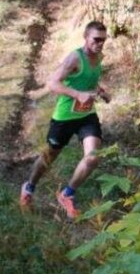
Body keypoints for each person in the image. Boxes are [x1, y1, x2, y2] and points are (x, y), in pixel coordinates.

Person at [20, 20, 110, 219]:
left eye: (103, 40)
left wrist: (100, 91)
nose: (100, 44)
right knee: (48, 157)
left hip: (87, 116)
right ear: (85, 38)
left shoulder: (99, 56)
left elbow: (89, 80)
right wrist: (77, 95)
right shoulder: (74, 58)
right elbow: (52, 83)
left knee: (93, 157)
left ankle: (67, 194)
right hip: (64, 117)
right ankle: (29, 187)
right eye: (96, 39)